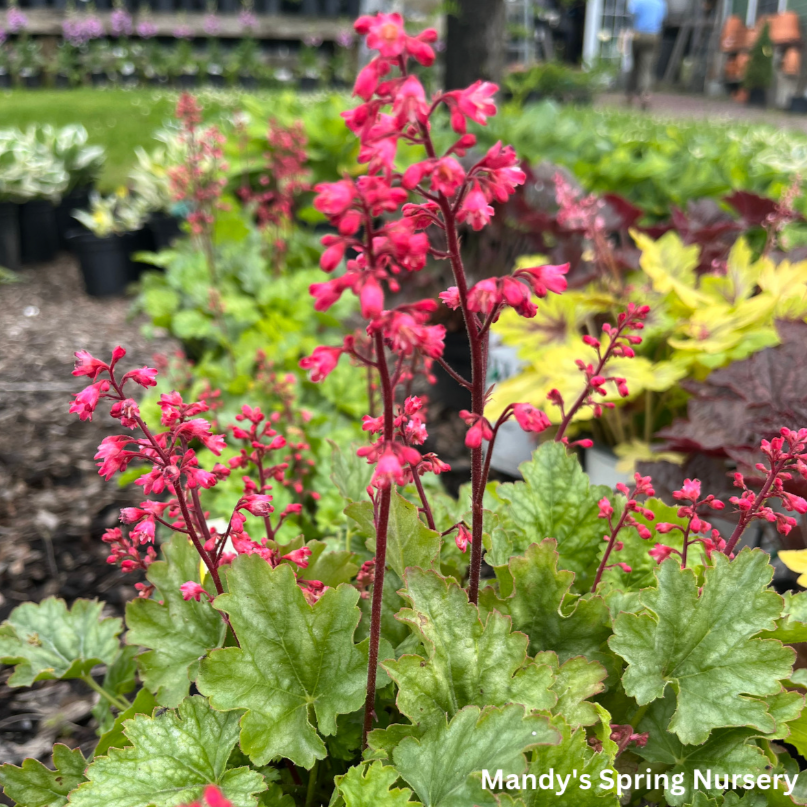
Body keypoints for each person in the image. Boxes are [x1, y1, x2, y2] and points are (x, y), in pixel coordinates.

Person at [625, 0, 667, 108]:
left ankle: (629, 95)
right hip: (653, 35)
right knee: (647, 68)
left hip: (638, 34)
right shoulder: (660, 3)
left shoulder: (637, 1)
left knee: (635, 65)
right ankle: (645, 95)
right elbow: (662, 19)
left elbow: (630, 15)